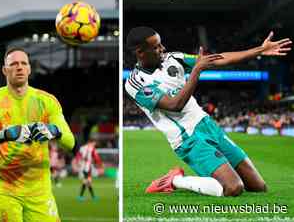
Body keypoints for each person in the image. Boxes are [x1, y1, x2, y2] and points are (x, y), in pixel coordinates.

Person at [125, 26, 292, 197]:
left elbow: (218, 59)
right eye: (156, 47)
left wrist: (260, 50)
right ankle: (174, 180)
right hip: (188, 138)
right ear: (140, 52)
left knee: (258, 187)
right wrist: (196, 70)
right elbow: (175, 105)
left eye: (161, 44)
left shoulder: (174, 58)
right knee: (233, 188)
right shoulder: (135, 83)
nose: (163, 49)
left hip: (208, 125)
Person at [0, 47, 78, 221]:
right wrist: (3, 135)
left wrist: (54, 131)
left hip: (39, 190)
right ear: (5, 70)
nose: (19, 67)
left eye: (23, 63)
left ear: (29, 68)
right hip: (3, 188)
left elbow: (70, 142)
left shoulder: (47, 101)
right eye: (13, 64)